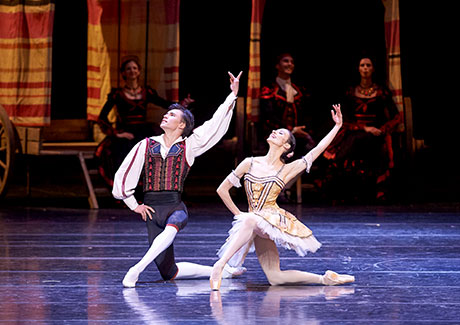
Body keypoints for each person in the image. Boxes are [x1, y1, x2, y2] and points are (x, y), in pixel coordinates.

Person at [113, 71, 244, 288]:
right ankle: (223, 270)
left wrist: (232, 95)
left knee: (173, 226)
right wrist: (133, 204)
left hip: (175, 206)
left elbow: (214, 124)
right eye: (166, 114)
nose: (166, 116)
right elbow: (125, 173)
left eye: (172, 115)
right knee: (168, 272)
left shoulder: (189, 146)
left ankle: (135, 270)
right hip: (152, 209)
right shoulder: (146, 144)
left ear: (182, 125)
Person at [209, 104, 355, 290]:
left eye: (279, 133)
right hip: (253, 221)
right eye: (275, 131)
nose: (274, 132)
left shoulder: (286, 170)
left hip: (271, 219)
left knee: (252, 220)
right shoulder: (249, 163)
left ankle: (219, 266)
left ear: (286, 146)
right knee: (275, 277)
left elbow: (316, 150)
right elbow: (222, 189)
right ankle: (325, 279)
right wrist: (240, 215)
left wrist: (336, 127)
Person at [96, 55, 194, 187]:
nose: (132, 71)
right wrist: (117, 134)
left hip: (143, 130)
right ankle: (127, 189)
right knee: (121, 154)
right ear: (123, 73)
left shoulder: (146, 92)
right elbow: (102, 117)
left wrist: (183, 104)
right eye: (129, 68)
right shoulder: (117, 94)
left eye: (135, 68)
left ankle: (153, 189)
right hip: (126, 132)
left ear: (139, 72)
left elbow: (164, 104)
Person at [322, 56, 401, 201]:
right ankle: (347, 189)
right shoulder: (350, 92)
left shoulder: (382, 92)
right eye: (362, 65)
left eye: (368, 65)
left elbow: (396, 116)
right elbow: (344, 118)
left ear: (373, 68)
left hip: (377, 133)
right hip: (356, 131)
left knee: (378, 147)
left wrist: (383, 129)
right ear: (358, 69)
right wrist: (365, 128)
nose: (365, 68)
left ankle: (375, 191)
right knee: (354, 141)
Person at [259, 53, 318, 156]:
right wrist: (291, 130)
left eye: (292, 62)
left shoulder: (300, 90)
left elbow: (307, 113)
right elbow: (269, 116)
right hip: (274, 135)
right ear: (277, 65)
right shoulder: (269, 90)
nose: (290, 64)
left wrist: (303, 130)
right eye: (286, 61)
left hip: (298, 137)